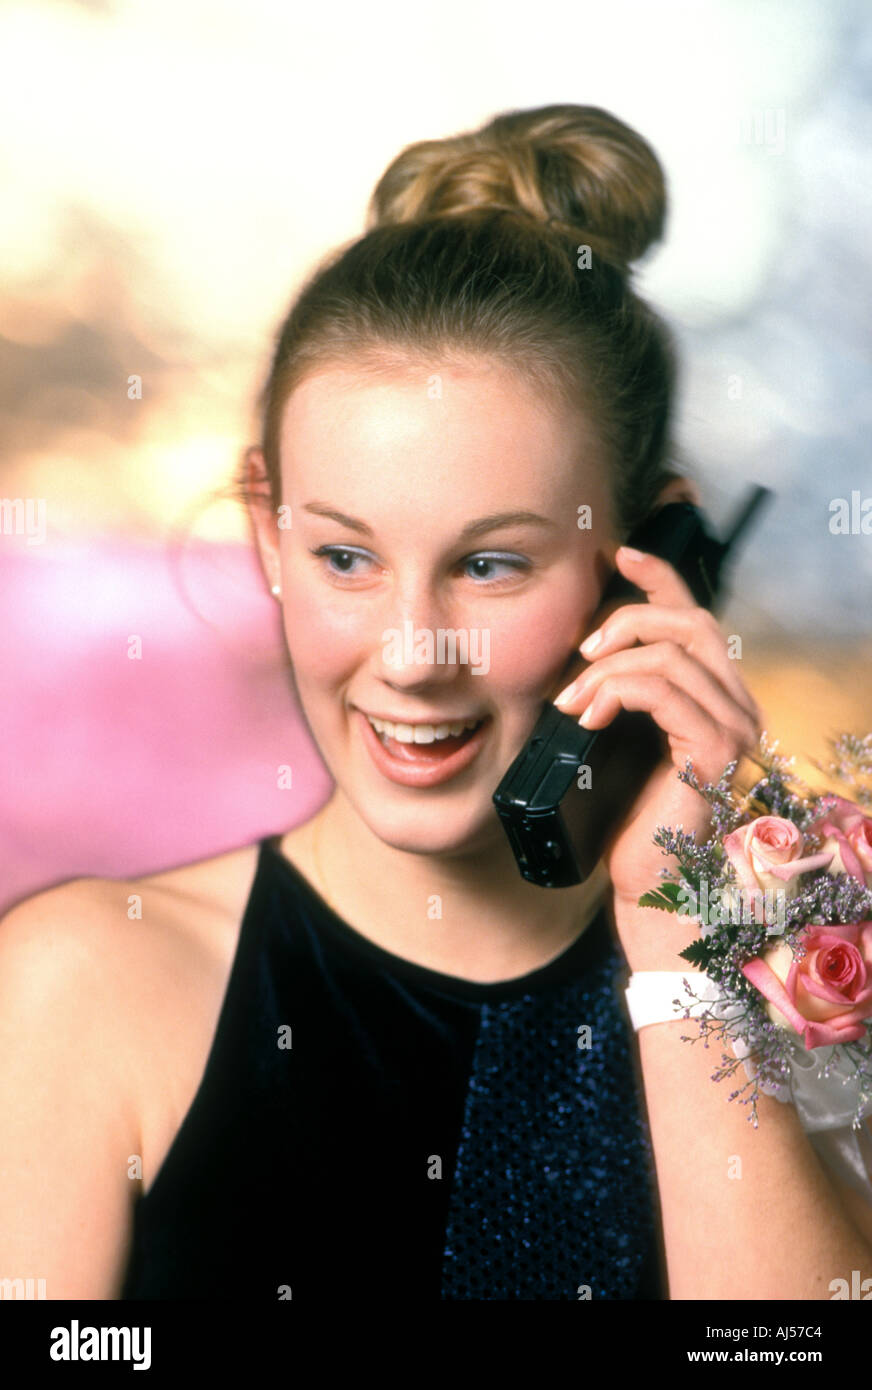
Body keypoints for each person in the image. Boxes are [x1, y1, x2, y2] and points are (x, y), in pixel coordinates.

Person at [2, 103, 871, 1302]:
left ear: (648, 560)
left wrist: (679, 935)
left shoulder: (787, 972)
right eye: (345, 558)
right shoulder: (80, 981)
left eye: (489, 563)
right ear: (269, 534)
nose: (411, 657)